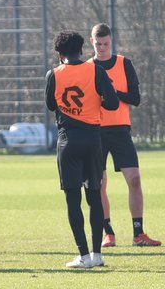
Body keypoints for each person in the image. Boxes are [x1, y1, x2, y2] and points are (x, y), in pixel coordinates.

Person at [44, 29, 120, 268]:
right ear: (81, 50)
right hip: (92, 138)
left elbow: (49, 105)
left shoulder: (54, 74)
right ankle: (97, 255)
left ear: (59, 54)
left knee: (72, 199)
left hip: (68, 140)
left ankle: (83, 255)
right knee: (94, 195)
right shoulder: (95, 70)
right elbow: (113, 103)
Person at [90, 23, 161, 249]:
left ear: (112, 41)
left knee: (135, 180)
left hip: (120, 130)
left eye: (106, 44)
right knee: (99, 184)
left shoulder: (124, 63)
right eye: (98, 44)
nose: (102, 48)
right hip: (96, 131)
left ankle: (138, 233)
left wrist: (112, 93)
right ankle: (108, 232)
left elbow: (135, 98)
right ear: (92, 42)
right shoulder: (87, 67)